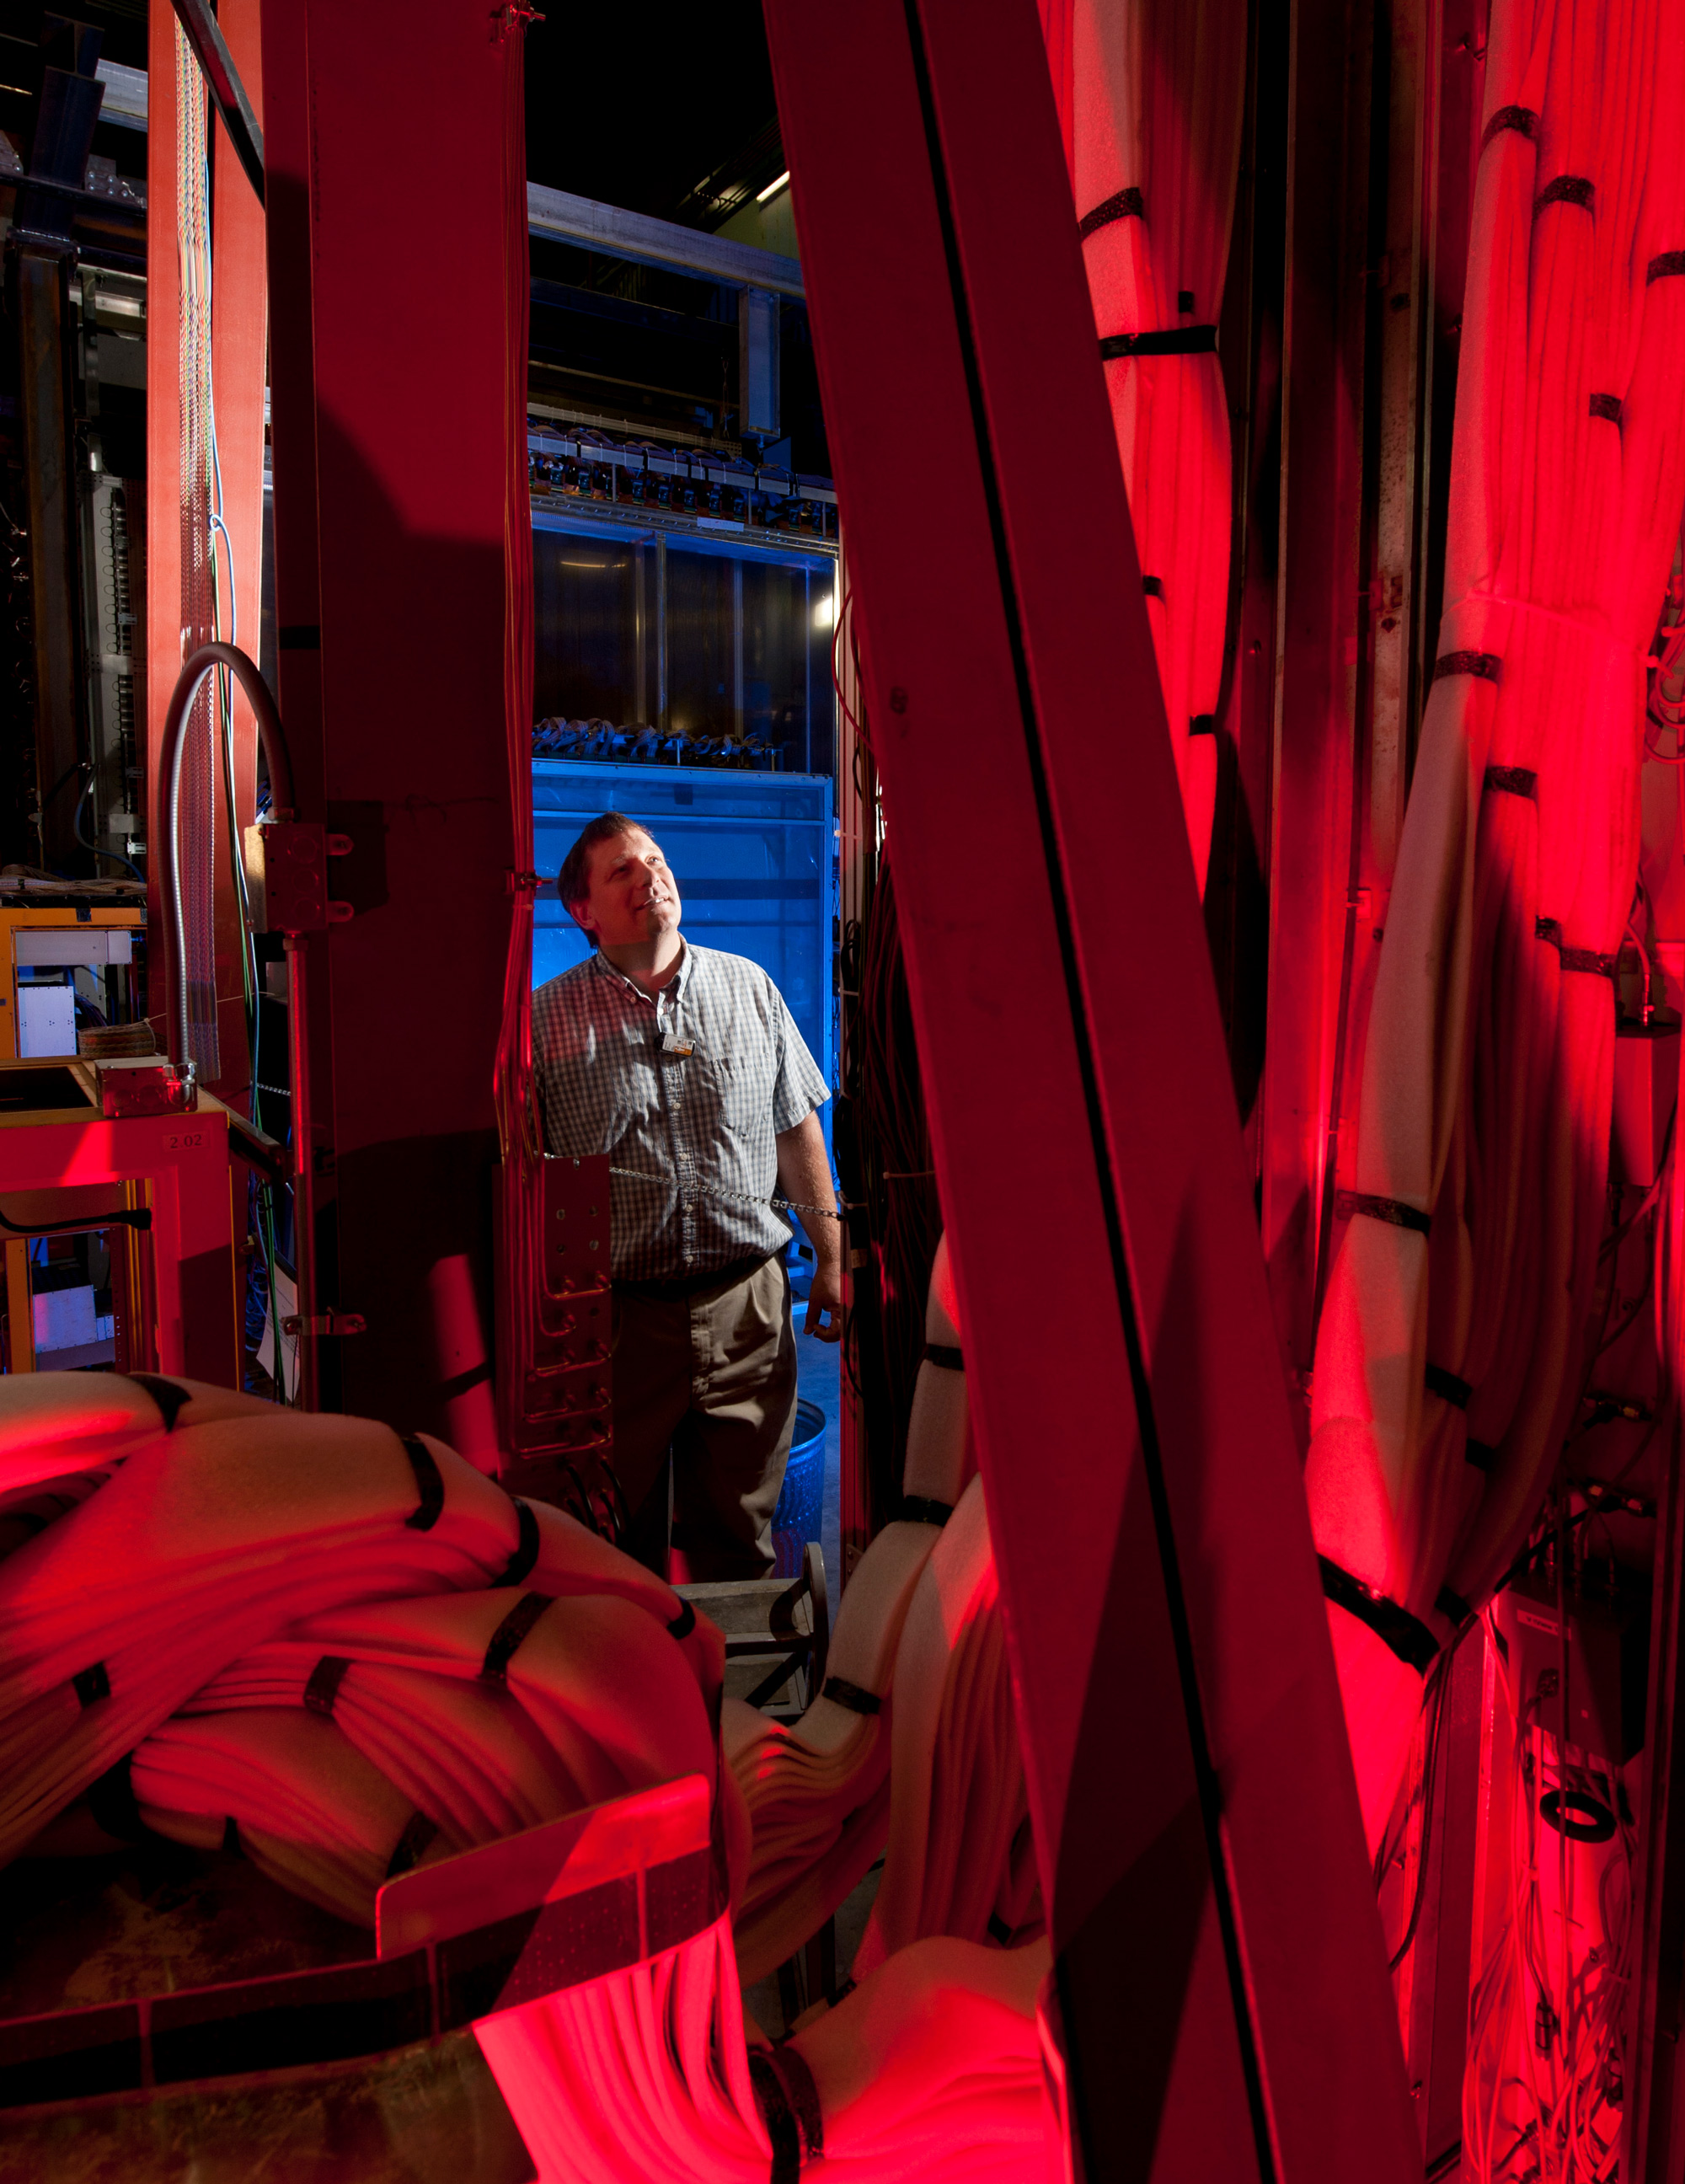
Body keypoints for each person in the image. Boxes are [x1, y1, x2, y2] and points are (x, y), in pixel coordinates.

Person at [532, 810, 842, 1580]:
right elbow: (523, 1180)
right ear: (584, 912)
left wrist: (832, 1258)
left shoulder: (750, 988)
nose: (650, 878)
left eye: (656, 861)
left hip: (749, 1314)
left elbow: (795, 1129)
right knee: (610, 1543)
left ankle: (730, 1697)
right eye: (622, 872)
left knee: (738, 1538)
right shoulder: (544, 1024)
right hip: (617, 1328)